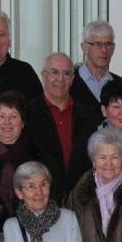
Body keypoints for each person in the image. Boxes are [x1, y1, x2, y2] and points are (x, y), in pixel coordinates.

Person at [25, 52, 94, 198]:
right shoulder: (28, 113)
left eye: (67, 73)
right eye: (54, 72)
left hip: (81, 197)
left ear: (72, 78)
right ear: (44, 75)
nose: (60, 79)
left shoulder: (88, 115)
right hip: (41, 197)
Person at [0, 91, 51, 215]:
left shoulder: (39, 154)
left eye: (14, 116)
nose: (7, 122)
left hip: (31, 220)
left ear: (23, 122)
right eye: (1, 116)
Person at [72, 20, 122, 108]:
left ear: (113, 48)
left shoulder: (121, 86)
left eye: (108, 44)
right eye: (98, 45)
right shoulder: (68, 83)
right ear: (84, 48)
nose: (104, 50)